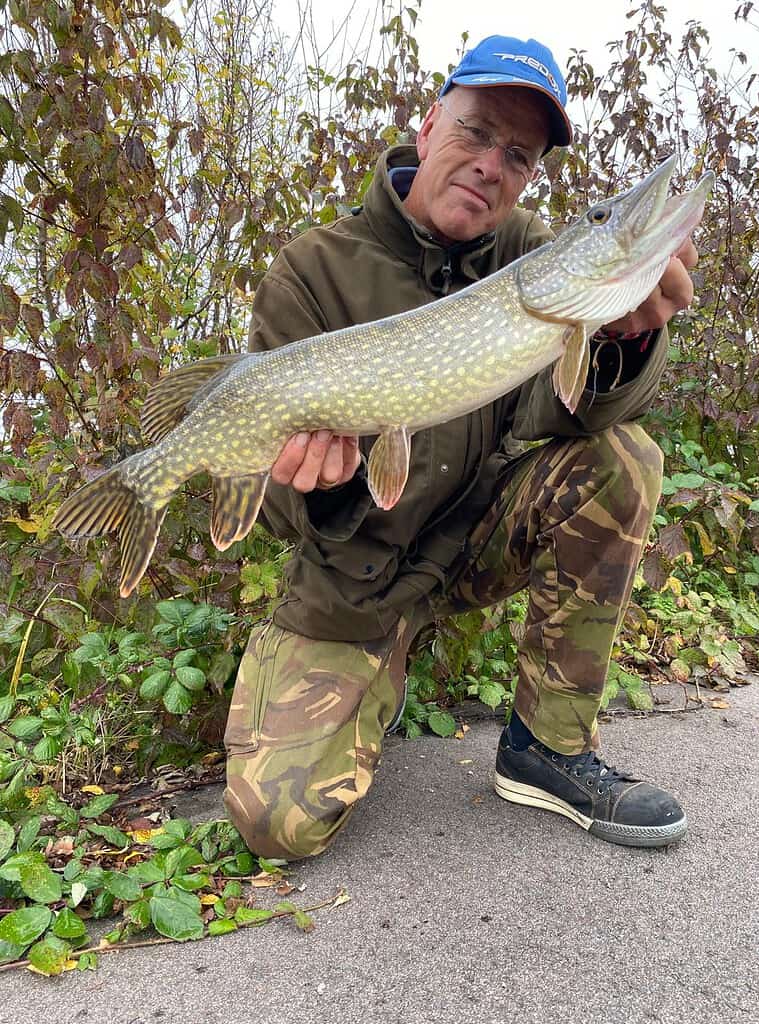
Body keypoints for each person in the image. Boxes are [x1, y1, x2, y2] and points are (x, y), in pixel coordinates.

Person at [223, 35, 699, 858]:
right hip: (354, 579)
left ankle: (547, 749)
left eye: (518, 155)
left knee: (624, 460)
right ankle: (375, 671)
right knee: (278, 826)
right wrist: (319, 488)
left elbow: (579, 420)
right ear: (429, 121)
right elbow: (275, 507)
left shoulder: (535, 259)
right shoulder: (312, 270)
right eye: (477, 132)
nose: (491, 163)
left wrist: (622, 336)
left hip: (468, 542)